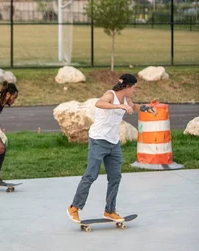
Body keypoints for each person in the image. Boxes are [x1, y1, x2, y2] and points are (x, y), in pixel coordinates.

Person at [67, 74, 156, 223]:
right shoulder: (110, 95)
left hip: (113, 143)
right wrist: (119, 106)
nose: (134, 90)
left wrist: (146, 108)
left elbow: (133, 107)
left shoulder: (127, 99)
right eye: (134, 87)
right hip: (98, 140)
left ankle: (110, 211)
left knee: (115, 177)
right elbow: (99, 103)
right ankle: (74, 207)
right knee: (91, 175)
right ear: (127, 87)